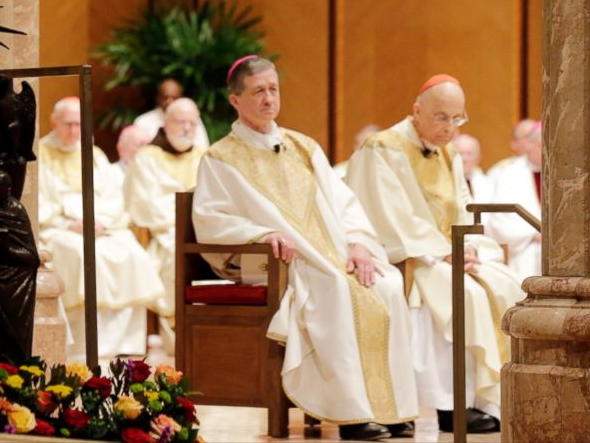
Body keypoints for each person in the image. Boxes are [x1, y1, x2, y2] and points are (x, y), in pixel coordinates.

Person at [193, 57, 417, 441]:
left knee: (387, 283)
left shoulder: (304, 147)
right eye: (258, 91)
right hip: (270, 260)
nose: (268, 99)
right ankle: (350, 413)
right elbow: (212, 219)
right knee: (330, 285)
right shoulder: (219, 158)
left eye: (273, 89)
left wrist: (359, 244)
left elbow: (345, 204)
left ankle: (389, 407)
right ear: (235, 100)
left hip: (330, 252)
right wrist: (261, 235)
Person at [346, 75, 525, 434]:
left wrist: (468, 247)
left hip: (446, 251)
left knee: (510, 286)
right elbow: (391, 215)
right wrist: (445, 252)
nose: (450, 128)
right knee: (465, 294)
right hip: (407, 255)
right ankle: (450, 404)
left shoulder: (448, 151)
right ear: (416, 111)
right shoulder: (382, 149)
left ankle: (482, 400)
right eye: (441, 117)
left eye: (458, 118)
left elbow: (461, 204)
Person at [38, 97, 163, 360]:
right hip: (60, 228)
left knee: (133, 253)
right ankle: (85, 346)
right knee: (83, 255)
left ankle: (126, 343)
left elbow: (114, 196)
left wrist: (102, 220)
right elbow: (40, 202)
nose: (74, 131)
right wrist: (68, 224)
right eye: (68, 124)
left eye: (79, 124)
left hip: (100, 225)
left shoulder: (93, 154)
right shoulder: (42, 153)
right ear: (54, 122)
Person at [124, 98, 206, 352]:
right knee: (176, 253)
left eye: (192, 122)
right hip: (165, 231)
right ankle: (178, 333)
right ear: (165, 124)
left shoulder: (204, 156)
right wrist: (185, 221)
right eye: (181, 122)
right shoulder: (147, 158)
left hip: (204, 227)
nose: (187, 128)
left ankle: (212, 327)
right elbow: (145, 205)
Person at [485, 122, 542, 278]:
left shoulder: (565, 172)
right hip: (525, 249)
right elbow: (500, 218)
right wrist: (532, 233)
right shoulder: (509, 174)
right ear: (530, 145)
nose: (546, 151)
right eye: (541, 146)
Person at [133, 78, 209, 150]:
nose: (169, 102)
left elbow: (203, 148)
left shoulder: (192, 120)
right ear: (158, 98)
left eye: (174, 98)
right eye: (165, 97)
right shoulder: (143, 122)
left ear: (181, 98)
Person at [453, 133, 493, 202]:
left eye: (469, 154)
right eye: (460, 153)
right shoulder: (443, 182)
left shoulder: (487, 184)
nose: (464, 159)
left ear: (478, 158)